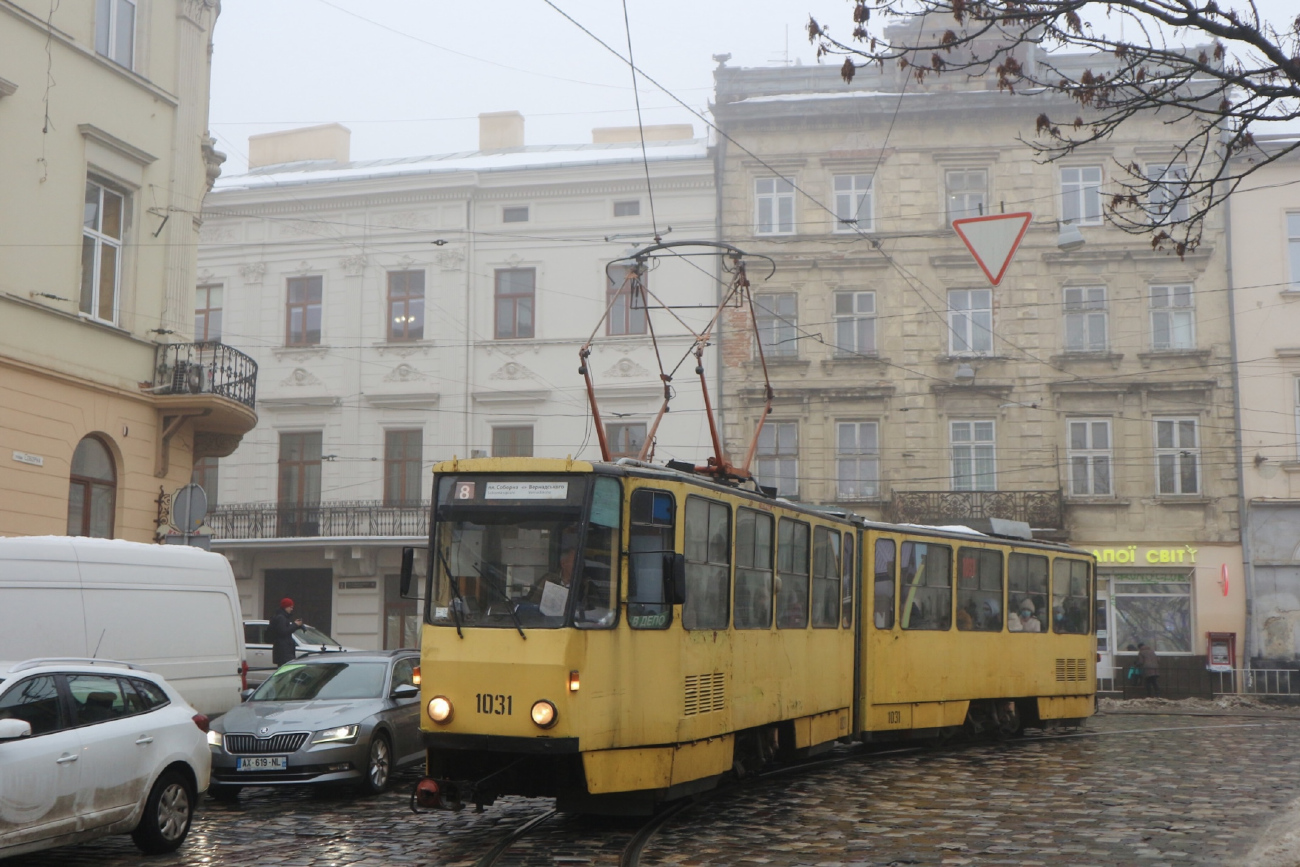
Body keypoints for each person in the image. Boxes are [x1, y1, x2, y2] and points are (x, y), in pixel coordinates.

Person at [268, 597, 305, 666]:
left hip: (283, 650)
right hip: (284, 651)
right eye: (290, 607)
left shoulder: (281, 617)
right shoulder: (281, 618)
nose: (292, 609)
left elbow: (285, 630)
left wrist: (296, 626)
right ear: (286, 607)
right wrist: (295, 624)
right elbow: (284, 631)